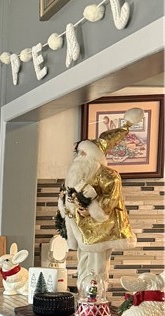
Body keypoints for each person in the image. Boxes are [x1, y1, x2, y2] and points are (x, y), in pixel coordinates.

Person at [57, 109, 139, 294]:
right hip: (81, 229)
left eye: (83, 153)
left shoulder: (109, 176)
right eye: (79, 153)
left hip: (101, 231)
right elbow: (68, 194)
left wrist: (90, 209)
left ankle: (95, 299)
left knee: (97, 267)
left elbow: (110, 200)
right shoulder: (78, 173)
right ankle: (83, 297)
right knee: (83, 263)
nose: (79, 157)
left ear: (94, 155)